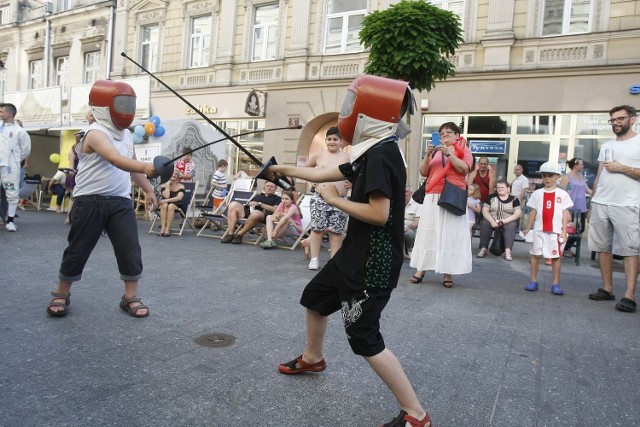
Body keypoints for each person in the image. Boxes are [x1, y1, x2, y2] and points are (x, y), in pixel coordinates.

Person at [265, 75, 431, 427]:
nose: (348, 111)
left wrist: (336, 201)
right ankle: (313, 357)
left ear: (370, 112)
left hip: (373, 264)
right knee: (315, 297)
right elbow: (327, 171)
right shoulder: (373, 148)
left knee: (365, 338)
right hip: (354, 254)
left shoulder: (382, 155)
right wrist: (282, 169)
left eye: (354, 103)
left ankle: (416, 415)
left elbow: (379, 213)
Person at [46, 80, 159, 318]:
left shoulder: (127, 134)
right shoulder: (95, 132)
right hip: (90, 201)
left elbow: (132, 166)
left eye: (128, 103)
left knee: (130, 249)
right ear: (103, 106)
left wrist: (148, 189)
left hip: (120, 202)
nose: (125, 109)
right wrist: (148, 166)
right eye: (120, 103)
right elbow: (116, 160)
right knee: (78, 249)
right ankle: (61, 293)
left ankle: (130, 297)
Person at [587, 105, 640, 313]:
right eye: (612, 120)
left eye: (620, 119)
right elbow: (601, 175)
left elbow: (619, 169)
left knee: (630, 250)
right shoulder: (607, 145)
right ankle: (607, 288)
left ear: (632, 119)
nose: (616, 123)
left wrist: (623, 168)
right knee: (603, 248)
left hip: (628, 204)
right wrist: (594, 202)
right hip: (602, 203)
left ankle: (629, 295)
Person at [410, 122, 473, 288]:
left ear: (457, 135)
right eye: (441, 132)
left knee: (449, 235)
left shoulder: (463, 149)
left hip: (452, 195)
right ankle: (421, 269)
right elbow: (424, 172)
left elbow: (464, 169)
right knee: (428, 233)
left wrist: (449, 154)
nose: (444, 134)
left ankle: (448, 273)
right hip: (432, 195)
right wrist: (427, 154)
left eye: (448, 132)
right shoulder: (434, 152)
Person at [521, 162, 573, 296]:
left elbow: (565, 214)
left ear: (557, 177)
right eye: (544, 176)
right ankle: (533, 280)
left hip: (555, 231)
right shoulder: (537, 193)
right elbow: (533, 211)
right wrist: (528, 227)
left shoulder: (562, 194)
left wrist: (564, 231)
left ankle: (556, 283)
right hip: (539, 230)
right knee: (535, 255)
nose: (547, 179)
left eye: (550, 175)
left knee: (555, 257)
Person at [304, 126, 350, 270]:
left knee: (336, 232)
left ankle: (334, 262)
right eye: (329, 139)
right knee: (317, 229)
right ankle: (314, 259)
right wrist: (312, 182)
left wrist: (352, 181)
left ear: (341, 141)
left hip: (340, 199)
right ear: (325, 140)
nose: (332, 142)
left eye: (335, 139)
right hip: (320, 198)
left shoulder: (348, 157)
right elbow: (305, 170)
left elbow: (357, 172)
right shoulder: (318, 155)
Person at [0, 103, 32, 231]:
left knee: (12, 192)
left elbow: (26, 150)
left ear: (9, 113)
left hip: (9, 166)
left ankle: (10, 221)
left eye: (1, 111)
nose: (0, 113)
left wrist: (14, 161)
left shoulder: (20, 131)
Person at [476, 179, 522, 261]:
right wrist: (492, 222)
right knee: (484, 223)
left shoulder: (514, 199)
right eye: (498, 188)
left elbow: (517, 213)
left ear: (508, 188)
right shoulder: (491, 197)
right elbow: (485, 210)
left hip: (507, 221)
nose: (500, 189)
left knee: (512, 225)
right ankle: (484, 248)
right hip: (492, 220)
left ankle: (508, 251)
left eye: (502, 187)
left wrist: (504, 221)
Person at [559, 157, 592, 258]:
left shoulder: (581, 177)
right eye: (581, 164)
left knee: (580, 229)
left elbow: (588, 190)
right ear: (575, 165)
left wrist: (598, 193)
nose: (583, 166)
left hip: (581, 207)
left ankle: (566, 247)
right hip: (570, 208)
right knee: (569, 229)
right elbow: (561, 192)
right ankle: (565, 247)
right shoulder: (567, 177)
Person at [64, 129, 90, 224]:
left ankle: (80, 218)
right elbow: (71, 167)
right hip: (75, 176)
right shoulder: (72, 151)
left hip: (85, 175)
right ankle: (68, 217)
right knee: (73, 197)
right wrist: (73, 172)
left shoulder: (88, 148)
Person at [158, 169, 185, 237]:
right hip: (165, 204)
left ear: (178, 177)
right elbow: (166, 196)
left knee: (171, 206)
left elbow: (179, 198)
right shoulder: (164, 185)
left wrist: (166, 201)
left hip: (177, 204)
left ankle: (168, 229)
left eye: (176, 174)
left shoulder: (181, 186)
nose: (173, 175)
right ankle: (163, 227)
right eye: (172, 173)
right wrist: (167, 185)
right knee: (164, 205)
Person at [404, 183, 421, 259]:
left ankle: (410, 249)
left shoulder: (417, 206)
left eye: (406, 192)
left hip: (410, 230)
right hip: (399, 227)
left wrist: (406, 228)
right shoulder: (397, 204)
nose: (404, 194)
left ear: (411, 193)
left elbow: (416, 223)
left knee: (408, 233)